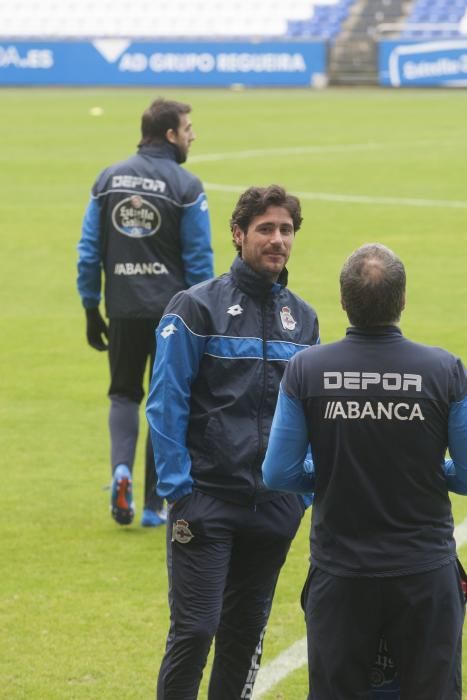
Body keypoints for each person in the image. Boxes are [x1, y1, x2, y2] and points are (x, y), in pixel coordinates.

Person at [262, 243, 467, 700]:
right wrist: (434, 469)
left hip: (341, 572)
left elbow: (279, 472)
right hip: (424, 573)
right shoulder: (444, 370)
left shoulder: (306, 370)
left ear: (343, 302)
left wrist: (330, 472)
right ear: (403, 300)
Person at [146, 185, 319, 699]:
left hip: (272, 510)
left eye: (286, 230)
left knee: (244, 637)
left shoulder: (304, 319)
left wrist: (299, 494)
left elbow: (311, 413)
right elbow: (165, 400)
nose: (277, 240)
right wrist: (180, 488)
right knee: (195, 631)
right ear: (238, 233)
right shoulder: (195, 308)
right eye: (266, 228)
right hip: (206, 503)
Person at [77, 97, 213, 528]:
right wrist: (205, 318)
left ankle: (121, 472)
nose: (193, 134)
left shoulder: (107, 180)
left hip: (121, 308)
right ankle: (156, 505)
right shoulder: (186, 186)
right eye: (188, 128)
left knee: (123, 394)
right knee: (165, 402)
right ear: (170, 134)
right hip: (172, 316)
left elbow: (88, 252)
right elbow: (199, 262)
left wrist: (89, 306)